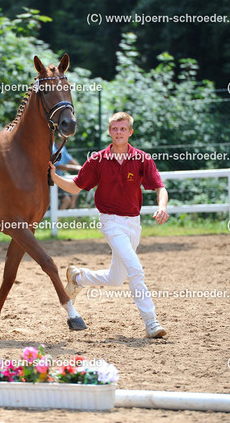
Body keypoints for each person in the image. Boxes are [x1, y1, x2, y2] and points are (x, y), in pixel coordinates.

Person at [48, 111, 169, 338]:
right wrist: (54, 177)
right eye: (115, 128)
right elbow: (76, 187)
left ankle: (79, 277)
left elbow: (160, 187)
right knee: (135, 269)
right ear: (109, 131)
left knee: (116, 278)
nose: (119, 132)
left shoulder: (142, 159)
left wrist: (162, 206)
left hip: (133, 223)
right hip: (111, 222)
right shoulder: (97, 160)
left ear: (130, 132)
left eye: (123, 129)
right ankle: (151, 322)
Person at [52, 139, 82, 209]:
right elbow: (59, 166)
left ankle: (72, 210)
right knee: (66, 200)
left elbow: (70, 160)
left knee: (76, 187)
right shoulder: (53, 149)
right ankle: (59, 219)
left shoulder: (62, 147)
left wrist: (82, 168)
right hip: (53, 181)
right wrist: (77, 168)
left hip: (59, 179)